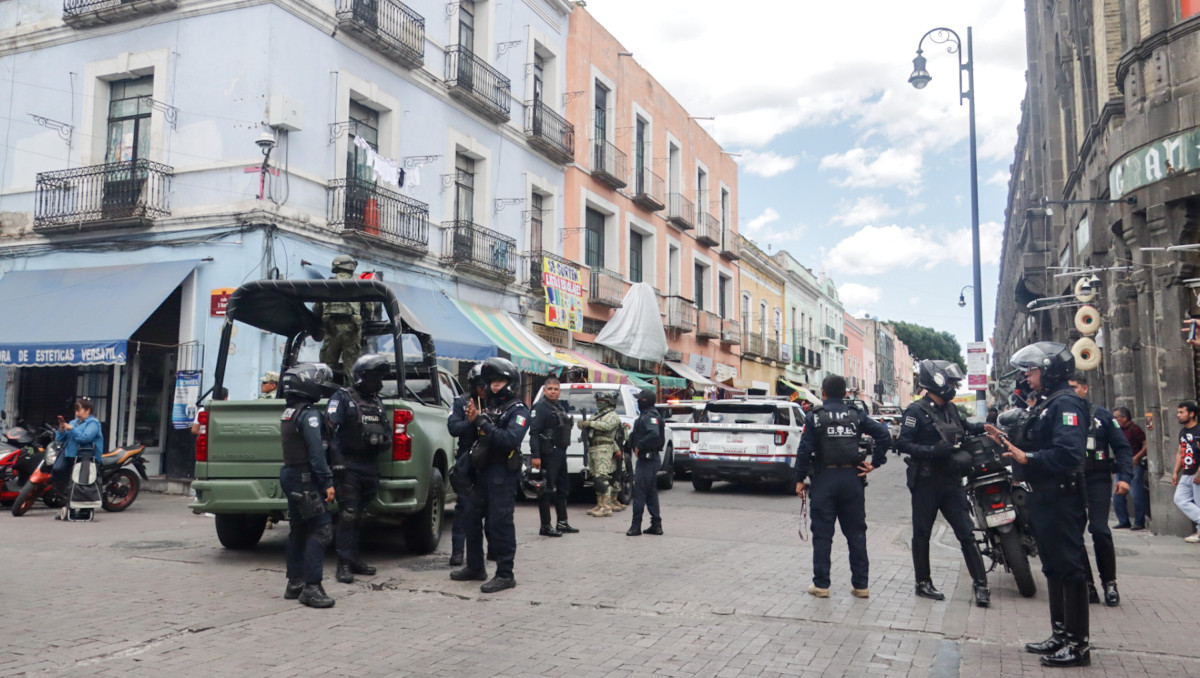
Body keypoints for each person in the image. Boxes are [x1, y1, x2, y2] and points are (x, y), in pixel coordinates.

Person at [989, 341, 1091, 667]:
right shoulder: (1047, 403)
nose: (1027, 376)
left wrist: (1028, 457)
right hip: (1044, 496)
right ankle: (1060, 634)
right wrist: (1006, 443)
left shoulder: (1066, 404)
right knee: (1052, 568)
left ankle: (1078, 645)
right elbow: (1035, 443)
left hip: (1062, 496)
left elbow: (1069, 454)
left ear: (1048, 369)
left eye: (1031, 370)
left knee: (1069, 569)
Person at [896, 360, 991, 607]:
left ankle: (981, 585)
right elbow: (902, 444)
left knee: (967, 533)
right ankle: (923, 583)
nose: (953, 387)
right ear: (935, 382)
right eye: (950, 382)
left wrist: (988, 427)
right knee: (922, 534)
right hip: (926, 480)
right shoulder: (915, 411)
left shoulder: (950, 409)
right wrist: (931, 450)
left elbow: (965, 428)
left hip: (951, 481)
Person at [794, 375, 891, 599]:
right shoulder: (856, 416)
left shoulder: (814, 417)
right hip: (852, 478)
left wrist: (799, 479)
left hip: (824, 479)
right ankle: (861, 585)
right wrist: (875, 463)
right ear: (845, 394)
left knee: (822, 534)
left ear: (823, 393)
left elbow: (804, 450)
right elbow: (884, 435)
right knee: (856, 533)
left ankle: (821, 585)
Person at [452, 357, 529, 593]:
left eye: (500, 381)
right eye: (492, 382)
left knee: (499, 523)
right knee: (471, 519)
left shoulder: (519, 410)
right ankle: (475, 567)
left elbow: (509, 440)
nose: (495, 386)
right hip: (480, 472)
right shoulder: (487, 407)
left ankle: (505, 574)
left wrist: (482, 422)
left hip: (502, 474)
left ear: (511, 382)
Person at [1066, 372, 1133, 606]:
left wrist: (1124, 477)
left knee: (1100, 530)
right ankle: (1087, 584)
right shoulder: (1060, 415)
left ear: (1085, 389)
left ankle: (1109, 583)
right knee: (1074, 535)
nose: (1070, 391)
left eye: (1074, 387)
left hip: (1097, 479)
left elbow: (1122, 448)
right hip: (1071, 480)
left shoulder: (1102, 416)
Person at [278, 363, 337, 609]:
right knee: (322, 530)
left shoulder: (289, 411)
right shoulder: (309, 414)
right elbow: (316, 453)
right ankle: (312, 587)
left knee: (299, 529)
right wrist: (327, 482)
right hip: (304, 478)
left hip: (290, 474)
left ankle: (295, 583)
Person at [328, 354, 391, 584]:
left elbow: (387, 431)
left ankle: (354, 558)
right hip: (349, 466)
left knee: (361, 516)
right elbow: (331, 431)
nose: (379, 382)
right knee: (348, 514)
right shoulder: (343, 398)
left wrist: (383, 440)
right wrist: (337, 462)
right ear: (361, 377)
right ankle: (343, 563)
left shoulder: (377, 402)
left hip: (370, 466)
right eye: (375, 377)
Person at [447, 363, 486, 566]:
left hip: (489, 460)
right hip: (467, 460)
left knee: (492, 508)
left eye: (485, 384)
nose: (483, 388)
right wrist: (471, 421)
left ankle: (491, 550)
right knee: (463, 507)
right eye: (479, 384)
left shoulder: (499, 402)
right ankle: (457, 551)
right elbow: (453, 427)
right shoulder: (461, 402)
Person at [529, 376, 577, 537]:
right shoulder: (540, 407)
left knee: (563, 488)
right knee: (546, 490)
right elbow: (534, 433)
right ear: (544, 390)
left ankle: (562, 522)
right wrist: (535, 456)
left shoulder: (557, 407)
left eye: (556, 389)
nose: (553, 392)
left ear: (559, 391)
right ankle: (545, 525)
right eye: (550, 389)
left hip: (560, 452)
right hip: (547, 454)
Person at [312, 255, 364, 380]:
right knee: (352, 369)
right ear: (351, 268)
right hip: (352, 330)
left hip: (330, 330)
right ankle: (351, 394)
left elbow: (316, 309)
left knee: (326, 368)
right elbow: (369, 308)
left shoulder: (326, 285)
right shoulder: (359, 285)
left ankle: (325, 393)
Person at [626, 388, 665, 536]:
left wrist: (640, 445)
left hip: (648, 460)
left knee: (640, 492)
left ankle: (636, 526)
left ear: (644, 401)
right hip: (649, 459)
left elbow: (653, 433)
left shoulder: (649, 416)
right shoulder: (646, 415)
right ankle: (656, 524)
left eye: (639, 399)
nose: (636, 401)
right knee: (650, 493)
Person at [577, 390, 622, 517]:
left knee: (602, 477)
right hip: (593, 448)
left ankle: (607, 507)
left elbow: (607, 426)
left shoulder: (612, 415)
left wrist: (590, 423)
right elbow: (588, 425)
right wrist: (582, 425)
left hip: (604, 448)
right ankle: (600, 504)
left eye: (602, 401)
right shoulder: (597, 415)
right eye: (598, 401)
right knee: (596, 478)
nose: (599, 403)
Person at [53, 398, 104, 493]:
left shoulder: (93, 423)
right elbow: (60, 439)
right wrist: (61, 430)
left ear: (87, 410)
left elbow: (85, 438)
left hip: (84, 458)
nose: (76, 414)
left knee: (80, 483)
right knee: (58, 471)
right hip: (69, 456)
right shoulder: (74, 422)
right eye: (75, 411)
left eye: (79, 410)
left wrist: (72, 429)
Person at [1112, 407, 1149, 530]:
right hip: (1122, 465)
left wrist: (1137, 457)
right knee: (1117, 494)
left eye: (1117, 417)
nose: (1115, 419)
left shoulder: (1134, 429)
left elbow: (1146, 444)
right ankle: (1123, 520)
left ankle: (1139, 521)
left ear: (1125, 418)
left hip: (1133, 465)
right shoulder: (1118, 430)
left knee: (1135, 493)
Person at [1171, 400, 1200, 543]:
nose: (1178, 415)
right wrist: (1176, 472)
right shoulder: (1183, 432)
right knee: (1180, 499)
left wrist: (1199, 473)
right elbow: (1180, 452)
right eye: (1178, 412)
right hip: (1186, 472)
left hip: (1197, 472)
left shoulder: (1198, 430)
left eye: (1182, 412)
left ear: (1192, 414)